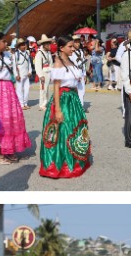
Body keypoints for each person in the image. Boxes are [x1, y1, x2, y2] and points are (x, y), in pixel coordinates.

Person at [38, 36, 92, 178]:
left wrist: (77, 104)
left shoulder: (71, 61)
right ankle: (60, 164)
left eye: (73, 46)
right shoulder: (58, 64)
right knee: (62, 131)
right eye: (70, 46)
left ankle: (74, 160)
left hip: (72, 99)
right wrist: (58, 109)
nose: (73, 48)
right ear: (61, 48)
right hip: (62, 99)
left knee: (74, 129)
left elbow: (75, 83)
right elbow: (56, 88)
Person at [0, 31, 31, 164]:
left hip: (9, 90)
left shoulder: (7, 55)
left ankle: (9, 150)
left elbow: (10, 74)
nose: (6, 43)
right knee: (0, 122)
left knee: (12, 120)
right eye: (3, 41)